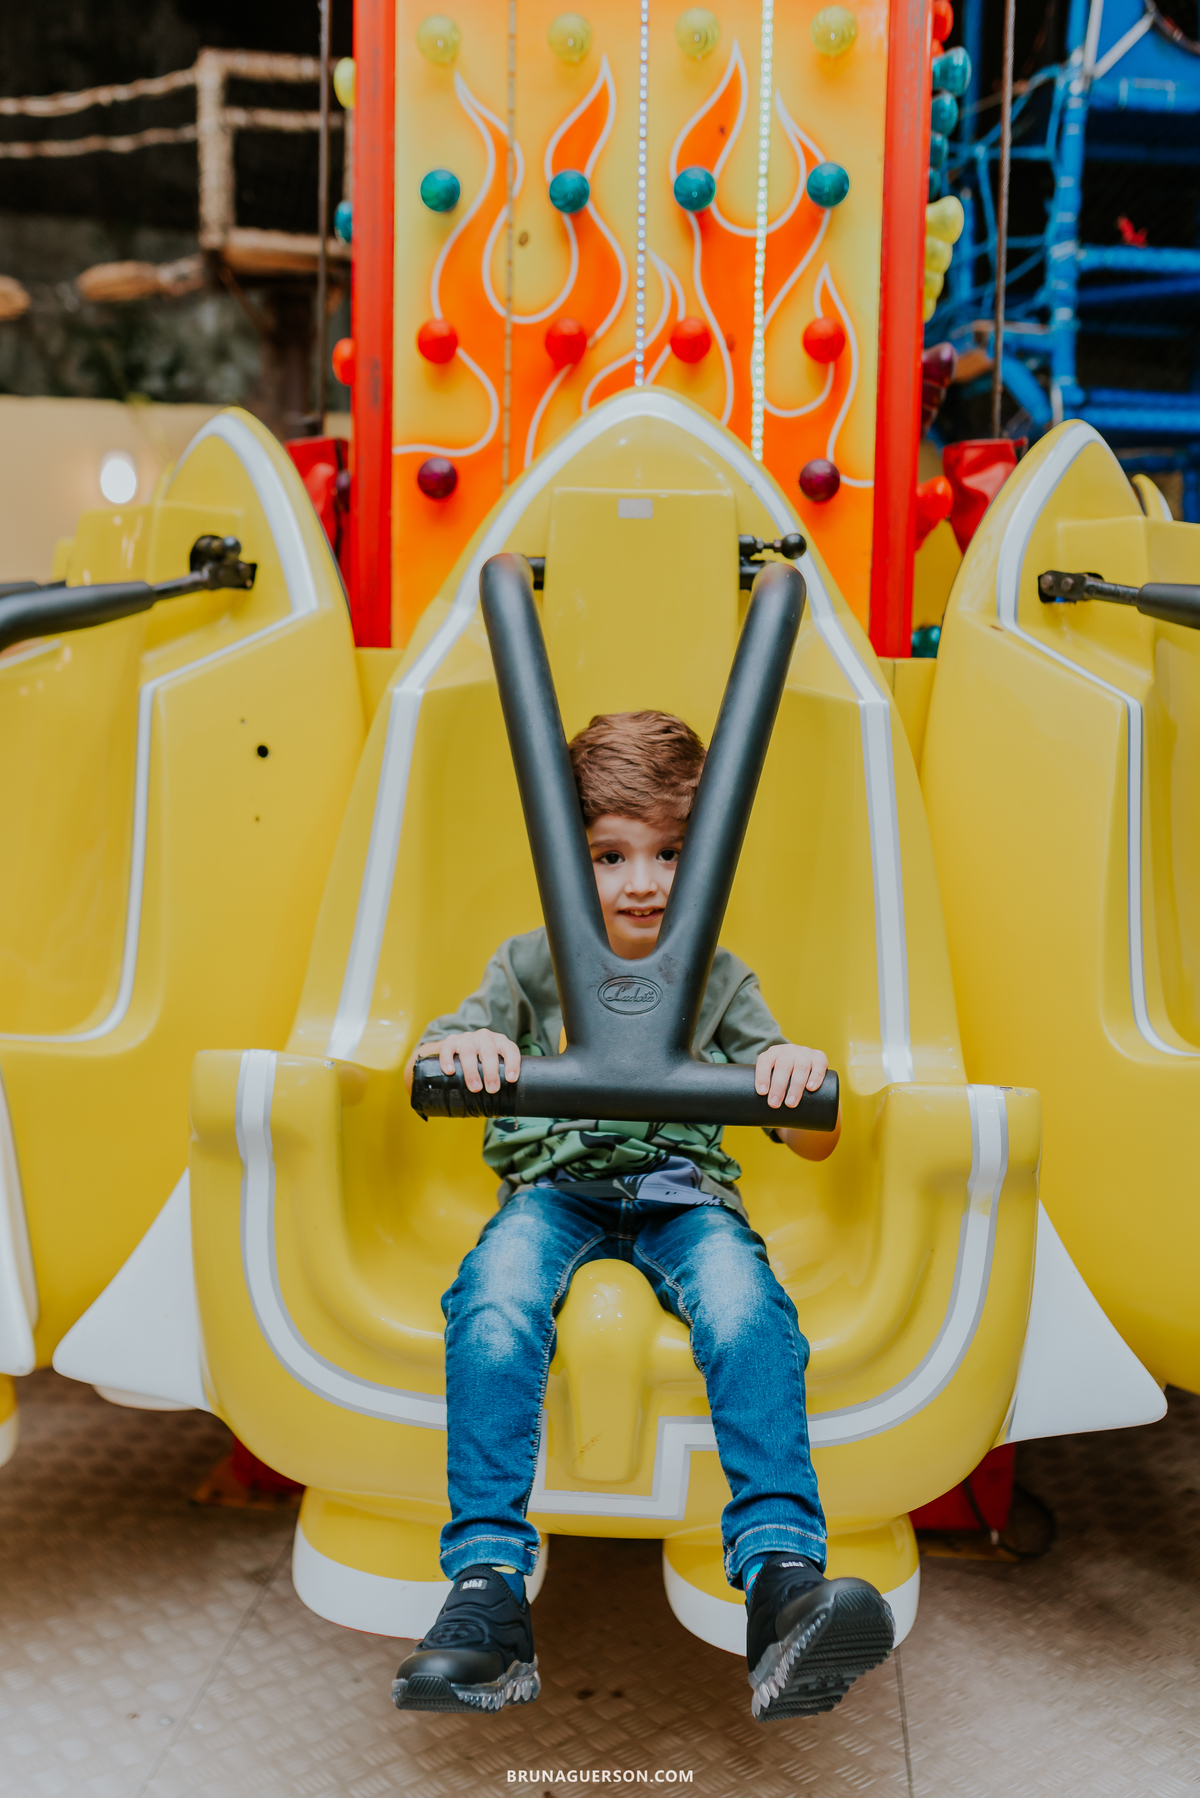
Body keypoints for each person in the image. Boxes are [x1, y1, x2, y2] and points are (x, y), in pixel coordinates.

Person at [392, 711, 894, 1721]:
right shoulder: (530, 966)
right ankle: (487, 1589)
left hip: (683, 1194)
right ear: (565, 860)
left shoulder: (717, 976)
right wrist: (466, 1054)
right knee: (492, 1304)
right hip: (553, 1194)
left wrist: (792, 1075)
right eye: (610, 855)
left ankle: (782, 1582)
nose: (642, 882)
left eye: (670, 853)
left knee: (749, 1311)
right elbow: (433, 1058)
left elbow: (813, 1138)